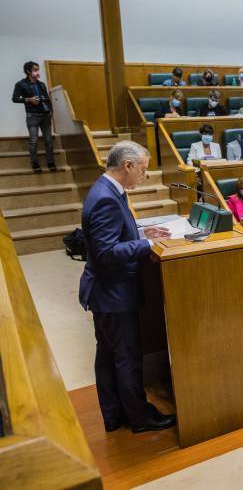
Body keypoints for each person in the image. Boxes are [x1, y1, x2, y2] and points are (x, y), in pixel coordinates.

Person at [78, 141, 176, 434]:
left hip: (105, 293)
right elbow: (107, 251)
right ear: (128, 166)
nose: (145, 175)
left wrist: (141, 232)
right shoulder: (106, 198)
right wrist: (146, 244)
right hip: (113, 294)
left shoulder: (106, 190)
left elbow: (111, 236)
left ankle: (114, 414)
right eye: (143, 169)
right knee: (126, 358)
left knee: (108, 356)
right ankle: (140, 418)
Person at [12, 61, 56, 172]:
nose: (38, 71)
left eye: (38, 69)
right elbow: (15, 98)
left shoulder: (41, 84)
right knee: (34, 140)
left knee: (48, 140)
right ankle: (35, 163)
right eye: (35, 69)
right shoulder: (20, 84)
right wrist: (29, 99)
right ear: (28, 71)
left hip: (45, 115)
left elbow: (47, 99)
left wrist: (51, 111)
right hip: (32, 116)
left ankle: (50, 162)